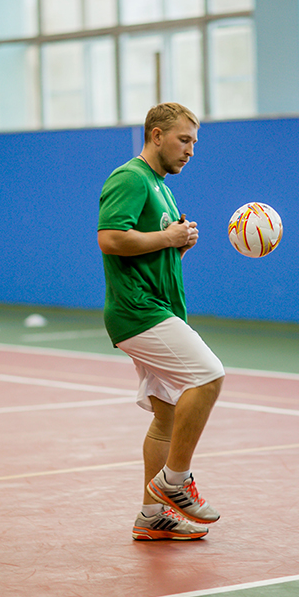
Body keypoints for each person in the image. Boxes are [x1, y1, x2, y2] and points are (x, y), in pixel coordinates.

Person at [97, 102, 225, 541]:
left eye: (194, 142)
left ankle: (152, 515)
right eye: (183, 140)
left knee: (167, 416)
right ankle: (175, 480)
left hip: (157, 306)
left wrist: (177, 245)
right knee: (208, 376)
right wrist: (168, 236)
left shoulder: (161, 186)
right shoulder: (131, 178)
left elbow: (147, 245)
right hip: (139, 309)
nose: (190, 150)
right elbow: (111, 238)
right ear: (156, 136)